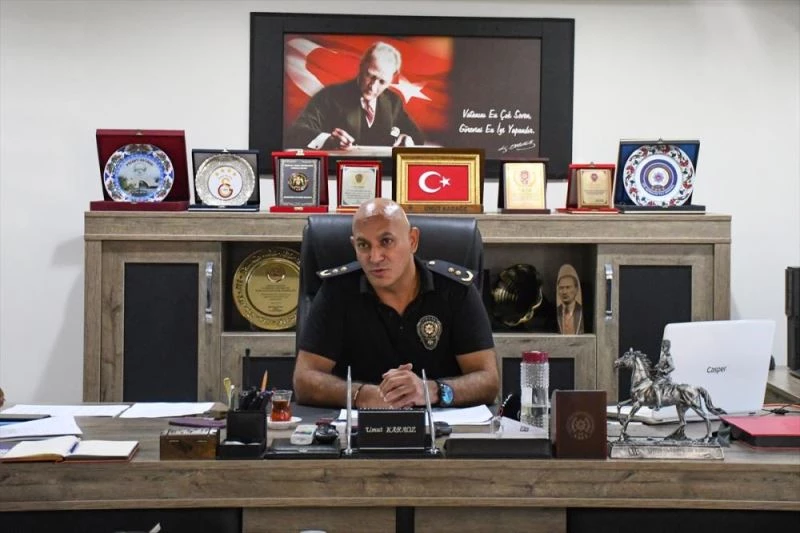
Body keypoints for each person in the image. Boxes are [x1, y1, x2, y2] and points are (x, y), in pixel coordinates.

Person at [293, 198, 499, 408]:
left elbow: (488, 380)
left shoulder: (455, 290)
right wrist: (362, 395)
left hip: (439, 424)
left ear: (412, 240)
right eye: (364, 245)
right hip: (360, 424)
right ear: (354, 246)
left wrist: (432, 391)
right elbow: (304, 380)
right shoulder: (337, 291)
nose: (374, 257)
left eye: (386, 241)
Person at [285, 42, 424, 151]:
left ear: (391, 80)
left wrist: (408, 138)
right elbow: (297, 132)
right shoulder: (330, 96)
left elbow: (417, 136)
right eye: (370, 76)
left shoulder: (393, 101)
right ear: (361, 66)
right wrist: (328, 140)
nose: (373, 87)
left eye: (382, 82)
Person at [556, 265, 583, 334]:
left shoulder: (584, 312)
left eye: (568, 287)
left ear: (576, 289)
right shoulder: (553, 314)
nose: (564, 292)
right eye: (561, 288)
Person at [653, 339, 675, 409]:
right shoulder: (663, 355)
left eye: (664, 347)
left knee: (655, 386)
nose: (662, 348)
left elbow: (672, 367)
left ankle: (659, 404)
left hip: (665, 377)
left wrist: (664, 371)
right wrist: (656, 366)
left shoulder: (668, 356)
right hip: (659, 376)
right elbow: (661, 364)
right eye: (662, 347)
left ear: (667, 347)